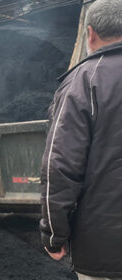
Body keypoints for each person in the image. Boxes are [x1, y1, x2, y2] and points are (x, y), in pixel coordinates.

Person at [39, 0, 122, 279]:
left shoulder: (83, 81)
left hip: (106, 252)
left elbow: (59, 167)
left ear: (90, 34)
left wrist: (53, 236)